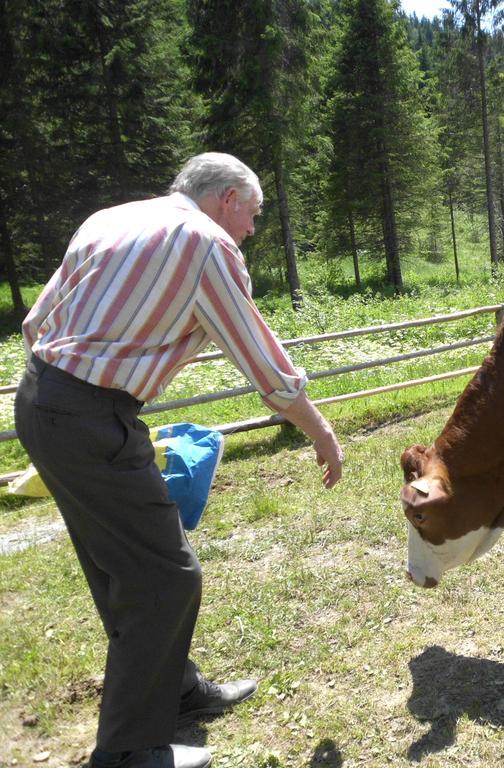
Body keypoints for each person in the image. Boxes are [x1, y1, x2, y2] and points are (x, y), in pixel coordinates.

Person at [14, 153, 345, 768]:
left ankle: (174, 688)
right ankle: (128, 750)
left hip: (42, 401)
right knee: (166, 576)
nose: (250, 228)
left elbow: (37, 324)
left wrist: (84, 390)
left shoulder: (111, 218)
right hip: (89, 416)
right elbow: (264, 367)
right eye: (252, 214)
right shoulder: (207, 244)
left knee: (119, 566)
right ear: (225, 199)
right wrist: (322, 434)